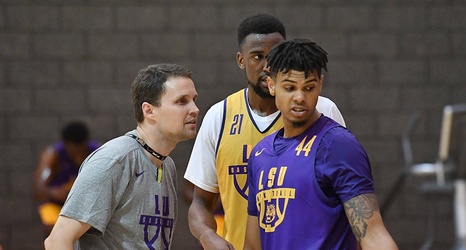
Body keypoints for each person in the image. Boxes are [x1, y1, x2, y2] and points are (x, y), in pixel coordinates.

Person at [185, 13, 346, 250]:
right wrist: (208, 235)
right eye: (257, 57)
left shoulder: (322, 110)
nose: (268, 66)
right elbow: (200, 200)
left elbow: (350, 197)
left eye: (274, 56)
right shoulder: (219, 116)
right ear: (241, 60)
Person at [243, 38, 398, 249]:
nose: (299, 97)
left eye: (309, 87)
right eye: (289, 88)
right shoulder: (260, 154)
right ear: (272, 85)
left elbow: (373, 234)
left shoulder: (338, 145)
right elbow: (253, 245)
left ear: (320, 85)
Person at [44, 63, 200, 249]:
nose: (195, 109)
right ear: (149, 111)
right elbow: (57, 241)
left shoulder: (167, 165)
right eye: (182, 101)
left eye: (194, 100)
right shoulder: (114, 160)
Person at [33, 121, 100, 238]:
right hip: (57, 205)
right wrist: (53, 192)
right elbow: (38, 190)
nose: (78, 157)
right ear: (66, 145)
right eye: (74, 152)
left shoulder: (98, 153)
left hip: (85, 204)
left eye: (81, 152)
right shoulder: (52, 155)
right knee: (53, 230)